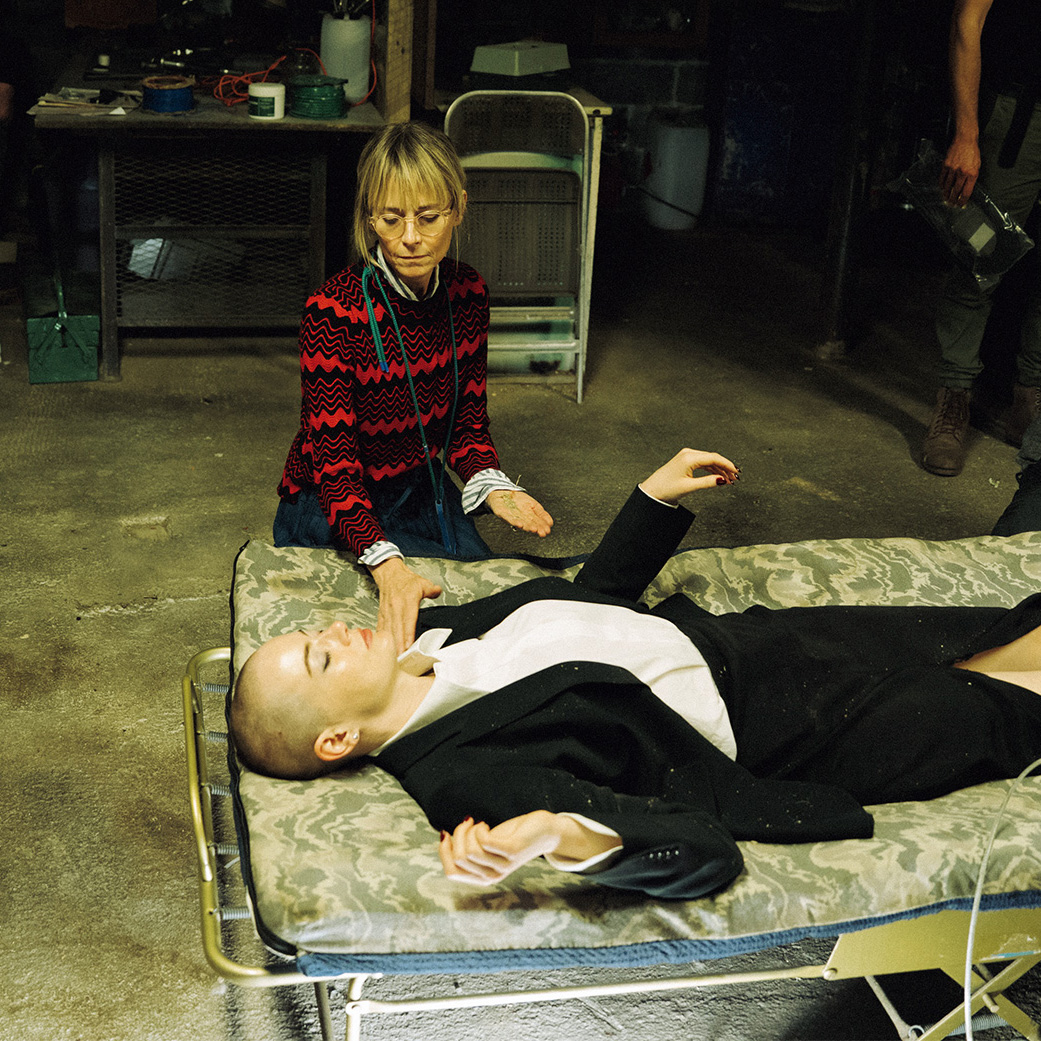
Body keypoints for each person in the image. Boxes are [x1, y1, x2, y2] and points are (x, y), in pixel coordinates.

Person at [232, 447, 1041, 901]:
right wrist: (554, 834)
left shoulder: (435, 637)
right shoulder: (465, 778)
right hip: (789, 734)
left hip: (759, 643)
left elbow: (581, 617)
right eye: (321, 656)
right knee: (1009, 706)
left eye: (314, 633)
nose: (334, 630)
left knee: (1004, 627)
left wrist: (652, 499)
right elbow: (697, 848)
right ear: (337, 737)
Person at [273, 120, 553, 653]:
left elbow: (467, 425)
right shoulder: (333, 312)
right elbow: (334, 462)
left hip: (421, 490)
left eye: (428, 218)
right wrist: (384, 561)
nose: (409, 238)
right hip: (334, 502)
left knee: (498, 621)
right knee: (398, 648)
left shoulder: (468, 294)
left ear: (458, 208)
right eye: (390, 218)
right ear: (368, 216)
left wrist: (491, 483)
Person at [922, 0, 1041, 477]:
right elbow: (966, 21)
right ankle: (954, 397)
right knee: (981, 260)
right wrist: (967, 134)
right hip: (1017, 113)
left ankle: (1030, 401)